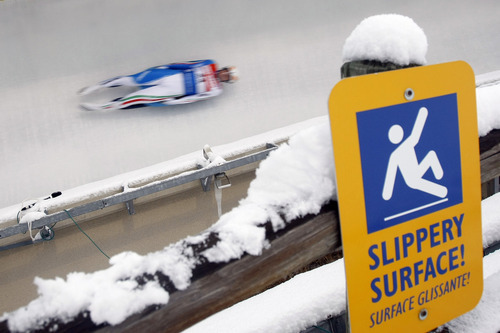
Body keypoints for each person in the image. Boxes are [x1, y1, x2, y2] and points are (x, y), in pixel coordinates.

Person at [79, 60, 238, 111]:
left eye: (226, 77)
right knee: (132, 79)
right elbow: (185, 64)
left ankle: (100, 107)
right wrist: (167, 67)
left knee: (133, 99)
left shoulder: (216, 90)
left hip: (172, 90)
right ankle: (96, 87)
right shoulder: (210, 63)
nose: (223, 75)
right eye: (226, 72)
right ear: (224, 69)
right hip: (171, 76)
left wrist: (174, 101)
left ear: (226, 81)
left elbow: (195, 98)